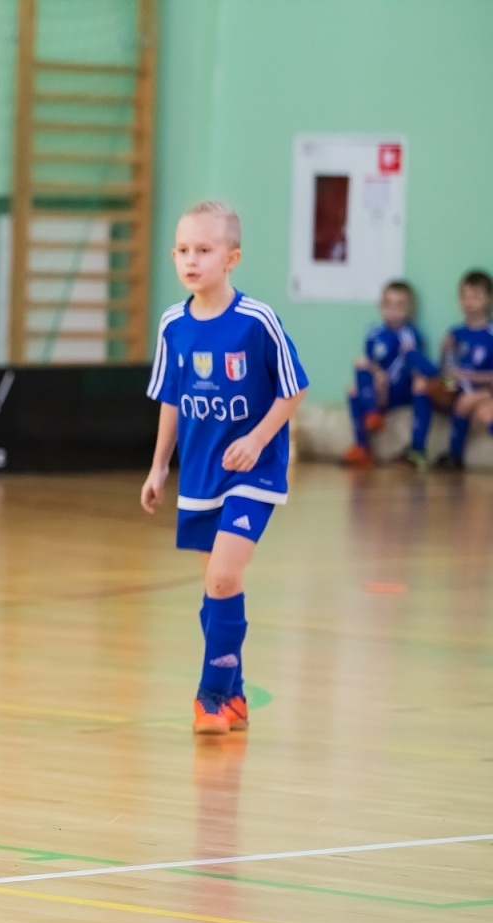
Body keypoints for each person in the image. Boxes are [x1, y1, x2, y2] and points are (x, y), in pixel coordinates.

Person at [140, 201, 308, 736]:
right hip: (200, 475)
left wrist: (258, 441)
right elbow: (170, 398)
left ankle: (211, 697)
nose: (192, 260)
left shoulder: (255, 321)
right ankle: (234, 694)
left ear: (231, 258)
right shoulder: (173, 324)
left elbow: (293, 387)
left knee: (223, 574)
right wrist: (159, 467)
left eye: (204, 250)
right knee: (215, 589)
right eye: (183, 251)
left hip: (254, 471)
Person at [342, 281, 437, 470]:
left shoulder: (411, 334)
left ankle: (417, 449)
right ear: (381, 306)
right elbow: (370, 362)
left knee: (420, 382)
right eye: (389, 305)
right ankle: (363, 444)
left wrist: (390, 377)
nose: (393, 311)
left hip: (401, 388)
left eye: (400, 305)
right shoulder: (373, 332)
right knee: (355, 381)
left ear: (409, 308)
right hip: (379, 389)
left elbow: (418, 367)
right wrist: (377, 374)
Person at [434, 269, 493, 471]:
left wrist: (469, 376)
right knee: (428, 388)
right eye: (464, 296)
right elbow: (446, 372)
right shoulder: (455, 333)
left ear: (488, 299)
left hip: (484, 390)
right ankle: (417, 450)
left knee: (480, 408)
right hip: (458, 389)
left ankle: (454, 455)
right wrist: (444, 354)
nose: (469, 302)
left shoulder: (490, 333)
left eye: (475, 296)